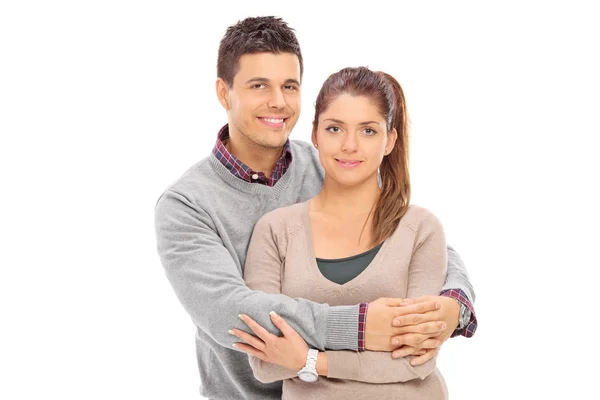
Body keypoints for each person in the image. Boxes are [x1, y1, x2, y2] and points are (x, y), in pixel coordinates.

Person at [154, 16, 477, 400]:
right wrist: (358, 327)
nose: (278, 101)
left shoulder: (331, 163)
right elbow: (230, 313)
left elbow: (410, 234)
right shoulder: (186, 204)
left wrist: (454, 304)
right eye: (259, 86)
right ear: (224, 93)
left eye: (289, 86)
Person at [231, 66, 453, 399]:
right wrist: (368, 337)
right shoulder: (276, 231)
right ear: (316, 135)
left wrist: (310, 361)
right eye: (335, 128)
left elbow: (415, 360)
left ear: (390, 140)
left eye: (367, 131)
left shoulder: (420, 229)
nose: (349, 145)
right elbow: (265, 362)